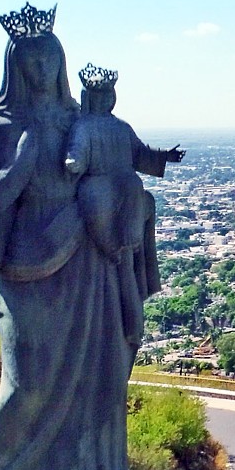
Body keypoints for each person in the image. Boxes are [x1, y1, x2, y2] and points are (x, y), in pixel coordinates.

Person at [0, 3, 179, 470]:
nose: (45, 69)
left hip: (92, 265)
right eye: (33, 60)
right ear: (16, 65)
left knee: (102, 377)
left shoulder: (81, 119)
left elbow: (126, 154)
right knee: (28, 384)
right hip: (31, 270)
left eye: (52, 58)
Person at [66, 63, 183, 347]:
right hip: (125, 190)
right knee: (126, 256)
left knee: (116, 249)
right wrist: (164, 156)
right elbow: (140, 155)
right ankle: (132, 319)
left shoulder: (90, 127)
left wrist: (72, 163)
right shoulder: (114, 127)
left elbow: (78, 159)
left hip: (105, 192)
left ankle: (112, 251)